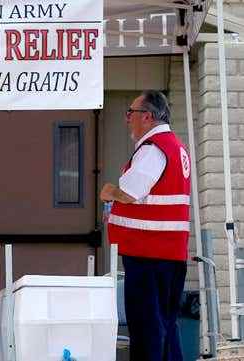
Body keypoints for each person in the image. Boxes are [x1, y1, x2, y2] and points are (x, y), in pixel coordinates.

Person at [100, 91, 190, 361]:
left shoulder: (154, 148)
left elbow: (130, 191)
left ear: (147, 117)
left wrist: (109, 192)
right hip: (168, 254)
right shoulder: (175, 147)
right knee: (166, 327)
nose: (128, 120)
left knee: (147, 329)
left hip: (148, 254)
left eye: (131, 113)